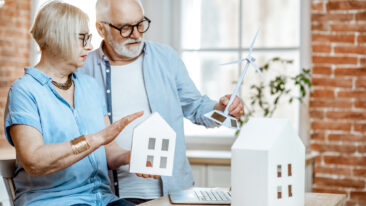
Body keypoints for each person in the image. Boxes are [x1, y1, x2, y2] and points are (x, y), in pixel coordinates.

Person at [78, 0, 244, 204]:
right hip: (110, 196)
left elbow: (197, 108)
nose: (137, 34)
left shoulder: (166, 58)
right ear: (101, 29)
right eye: (126, 28)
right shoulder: (81, 70)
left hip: (173, 191)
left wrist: (222, 108)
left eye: (140, 24)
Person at [4, 1, 157, 206]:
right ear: (58, 36)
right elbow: (34, 161)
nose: (90, 46)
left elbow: (108, 151)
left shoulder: (89, 86)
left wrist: (132, 157)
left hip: (102, 199)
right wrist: (96, 139)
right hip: (52, 201)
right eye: (83, 38)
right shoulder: (24, 90)